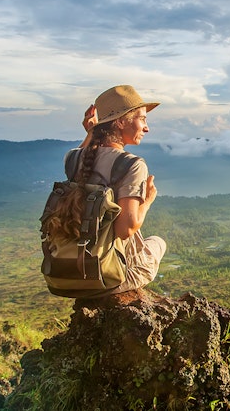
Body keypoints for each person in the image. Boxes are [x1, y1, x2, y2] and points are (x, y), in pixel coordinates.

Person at [47, 85, 166, 295]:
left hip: (64, 273)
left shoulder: (72, 158)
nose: (146, 128)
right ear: (121, 121)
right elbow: (125, 230)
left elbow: (84, 155)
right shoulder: (132, 165)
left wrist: (92, 132)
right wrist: (147, 201)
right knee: (157, 243)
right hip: (107, 276)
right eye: (142, 119)